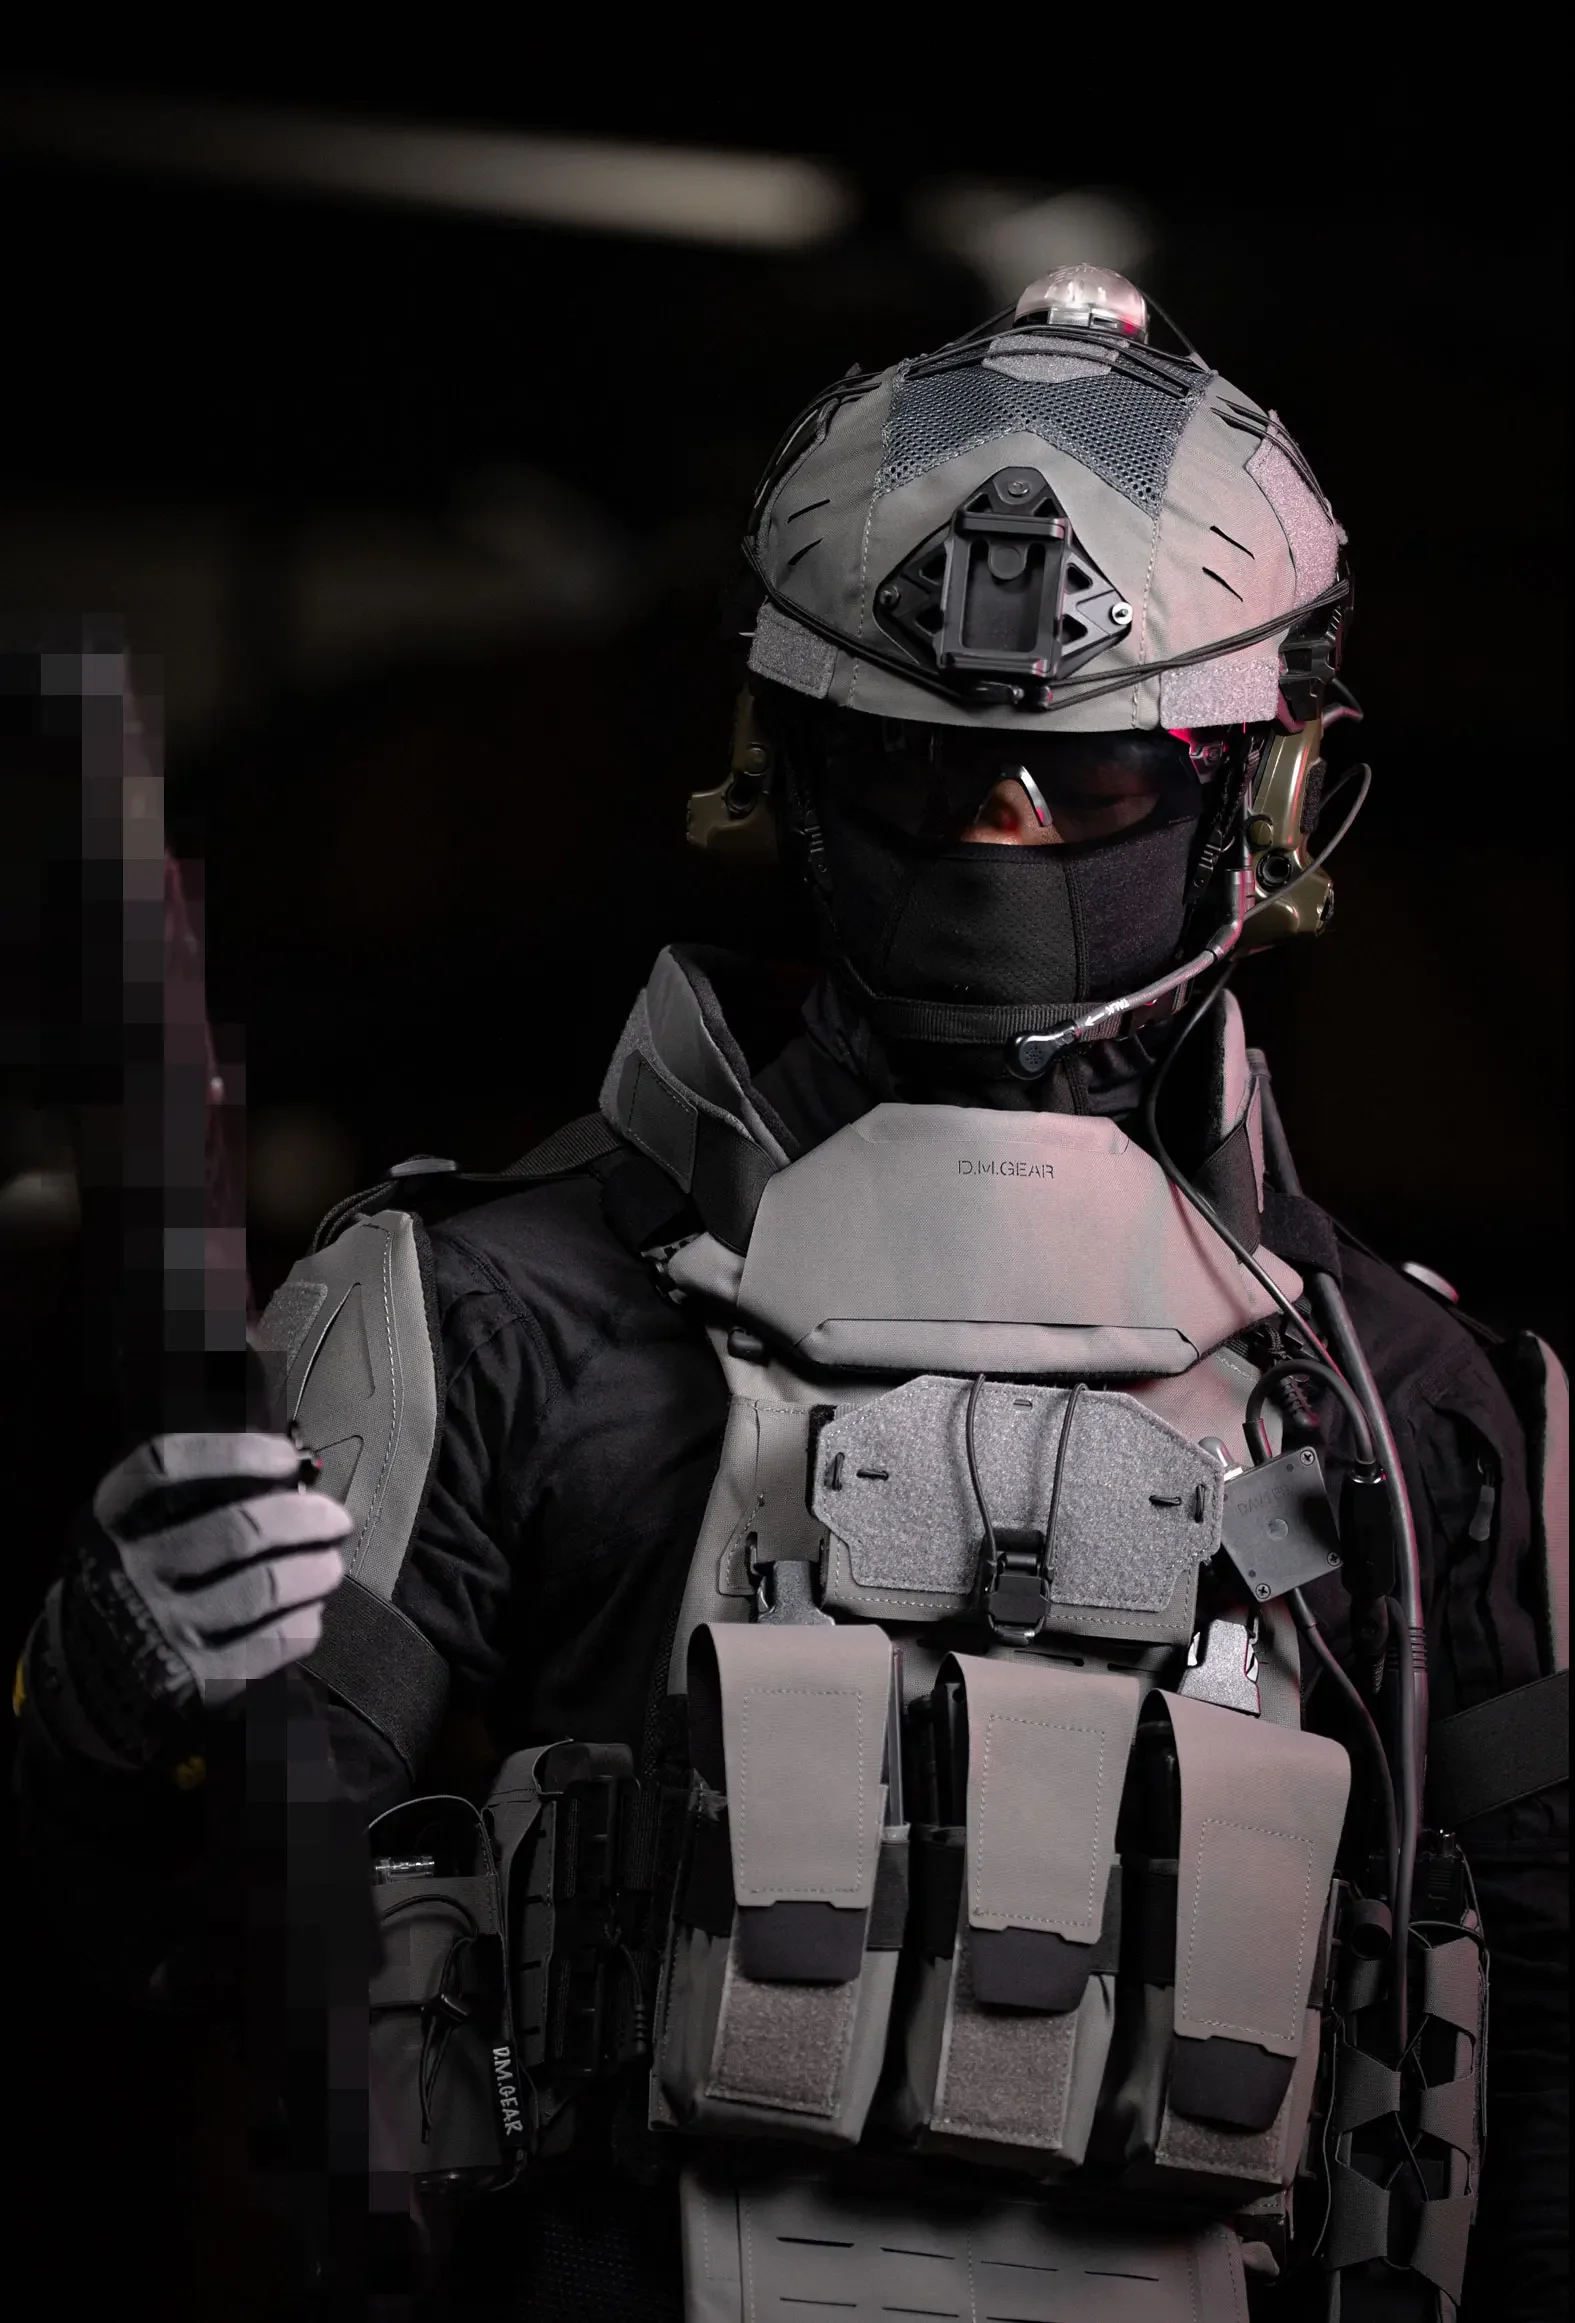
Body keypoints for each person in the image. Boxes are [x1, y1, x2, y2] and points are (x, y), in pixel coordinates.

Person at [15, 267, 1567, 2321]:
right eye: (922, 773)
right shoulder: (490, 1312)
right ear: (786, 764)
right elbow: (187, 1946)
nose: (1002, 826)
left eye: (1089, 781)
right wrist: (110, 1703)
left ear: (1264, 796)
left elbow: (1539, 2052)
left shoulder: (1416, 1402)